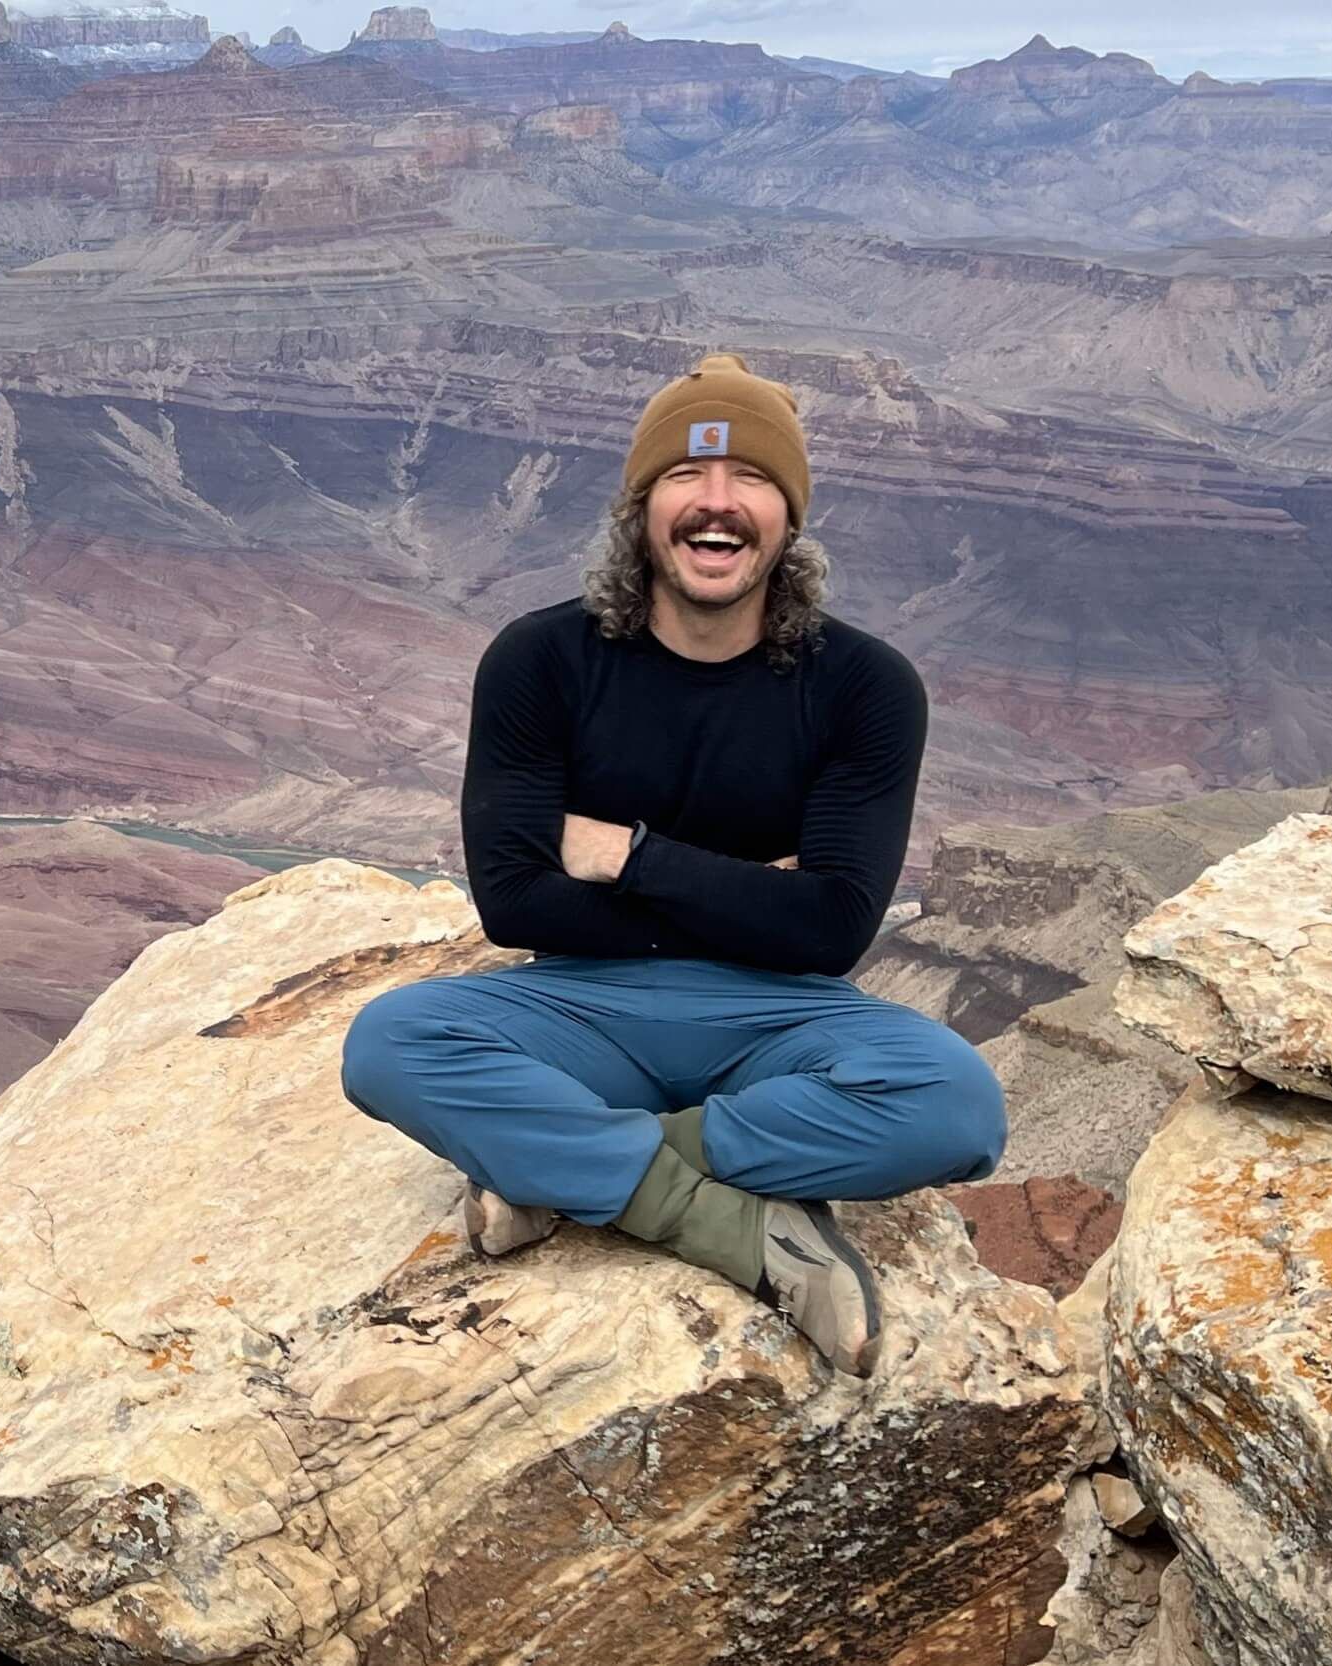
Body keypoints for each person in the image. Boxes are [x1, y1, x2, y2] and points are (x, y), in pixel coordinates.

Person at [340, 352, 1006, 1378]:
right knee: (389, 1042)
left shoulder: (865, 687)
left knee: (959, 1104)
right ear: (640, 508)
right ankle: (733, 1226)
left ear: (788, 517)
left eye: (751, 481)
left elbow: (830, 928)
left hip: (778, 1014)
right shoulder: (541, 661)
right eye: (686, 479)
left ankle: (557, 1166)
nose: (718, 504)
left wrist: (624, 853)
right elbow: (518, 904)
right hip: (582, 1009)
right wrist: (755, 889)